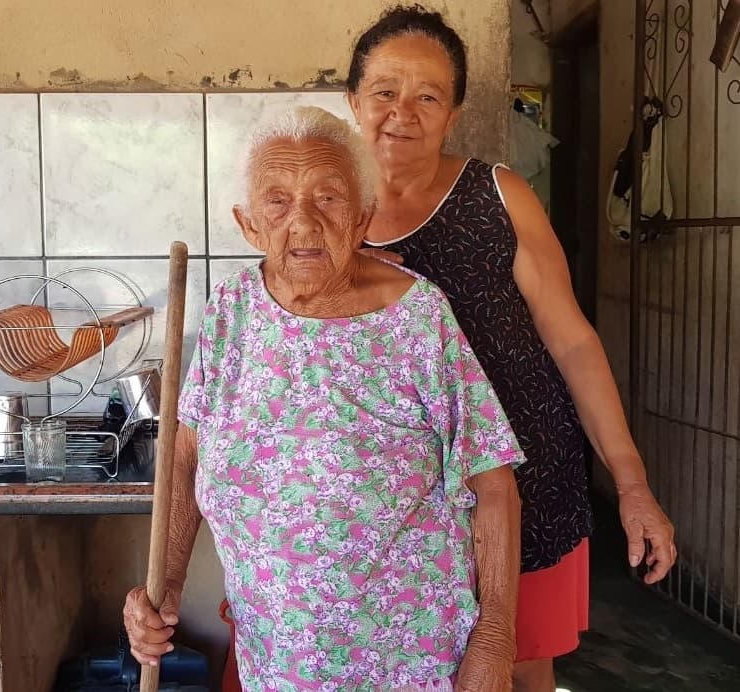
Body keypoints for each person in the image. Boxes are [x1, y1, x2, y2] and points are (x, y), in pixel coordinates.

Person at [125, 106, 525, 691]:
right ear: (248, 224)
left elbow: (493, 483)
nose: (304, 222)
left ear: (362, 217)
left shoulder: (418, 318)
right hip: (278, 664)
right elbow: (185, 460)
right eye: (278, 200)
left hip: (410, 664)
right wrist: (164, 590)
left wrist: (494, 639)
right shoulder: (230, 314)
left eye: (329, 198)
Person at [345, 6, 676, 690]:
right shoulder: (328, 217)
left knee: (520, 668)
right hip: (395, 510)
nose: (402, 111)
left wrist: (632, 484)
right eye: (384, 90)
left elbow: (573, 342)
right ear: (353, 100)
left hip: (526, 486)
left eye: (427, 95)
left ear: (456, 110)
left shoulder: (497, 195)